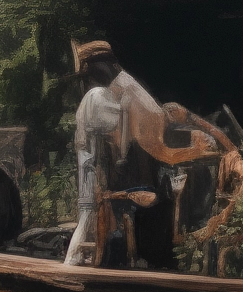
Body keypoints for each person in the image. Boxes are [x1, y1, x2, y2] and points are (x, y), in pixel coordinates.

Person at [64, 39, 195, 270]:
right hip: (94, 162)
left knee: (91, 212)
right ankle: (77, 261)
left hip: (94, 161)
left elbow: (120, 128)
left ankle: (87, 261)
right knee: (90, 211)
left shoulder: (109, 92)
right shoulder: (101, 95)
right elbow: (116, 129)